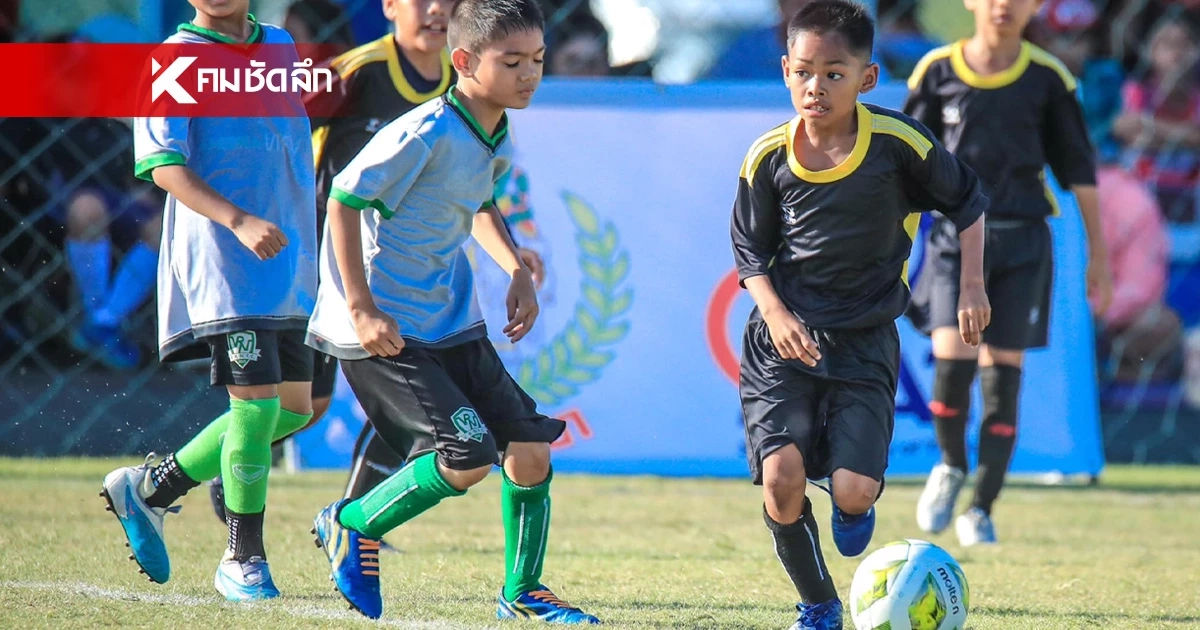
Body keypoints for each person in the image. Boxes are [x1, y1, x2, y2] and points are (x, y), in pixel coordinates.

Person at [306, 0, 599, 622]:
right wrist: (360, 307)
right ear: (463, 62)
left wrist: (515, 267)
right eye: (512, 61)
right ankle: (350, 521)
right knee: (466, 457)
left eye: (538, 60)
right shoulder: (425, 131)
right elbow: (343, 198)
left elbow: (479, 202)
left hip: (448, 319)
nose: (530, 74)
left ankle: (522, 593)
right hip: (386, 327)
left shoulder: (493, 131)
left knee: (528, 447)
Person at [731, 1, 990, 627]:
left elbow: (969, 201)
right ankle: (818, 605)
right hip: (782, 341)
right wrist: (776, 312)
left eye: (834, 73)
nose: (816, 87)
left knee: (852, 491)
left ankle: (852, 499)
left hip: (865, 341)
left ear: (867, 78)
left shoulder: (898, 144)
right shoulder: (767, 156)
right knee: (781, 478)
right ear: (786, 71)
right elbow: (749, 251)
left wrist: (971, 287)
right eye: (804, 72)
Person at [99, 1, 318, 601]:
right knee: (255, 409)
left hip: (287, 259)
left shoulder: (279, 47)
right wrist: (239, 219)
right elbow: (162, 165)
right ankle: (243, 559)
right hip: (227, 262)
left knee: (294, 409)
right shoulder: (174, 57)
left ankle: (151, 489)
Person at [904, 0, 1112, 546]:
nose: (1004, 5)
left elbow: (1079, 171)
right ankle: (950, 464)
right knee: (953, 363)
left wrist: (1100, 255)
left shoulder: (1048, 79)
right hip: (953, 240)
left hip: (1022, 239)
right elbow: (903, 167)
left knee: (1003, 375)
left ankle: (982, 507)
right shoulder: (937, 72)